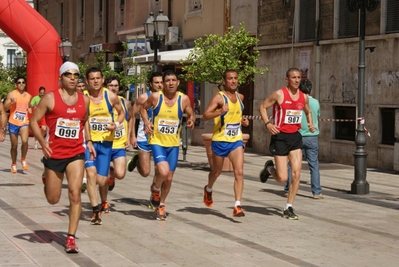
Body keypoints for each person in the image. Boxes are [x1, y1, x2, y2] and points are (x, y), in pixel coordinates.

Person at [29, 61, 94, 253]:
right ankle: (46, 175)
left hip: (76, 153)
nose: (73, 78)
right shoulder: (50, 98)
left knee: (75, 193)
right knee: (53, 199)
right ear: (61, 78)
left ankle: (71, 238)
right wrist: (43, 143)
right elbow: (33, 121)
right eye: (68, 74)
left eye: (76, 75)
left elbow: (85, 121)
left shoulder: (85, 100)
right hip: (54, 153)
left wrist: (88, 140)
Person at [258, 67, 315, 220]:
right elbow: (262, 107)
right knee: (283, 178)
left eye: (299, 78)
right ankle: (269, 168)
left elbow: (308, 111)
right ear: (287, 80)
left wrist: (310, 123)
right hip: (280, 137)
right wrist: (268, 124)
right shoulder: (279, 94)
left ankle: (289, 207)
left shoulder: (304, 97)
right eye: (294, 78)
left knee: (296, 174)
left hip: (295, 137)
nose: (297, 80)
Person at [141, 70, 195, 220]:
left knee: (169, 178)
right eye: (167, 80)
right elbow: (142, 109)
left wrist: (191, 120)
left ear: (178, 82)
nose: (170, 83)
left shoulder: (183, 99)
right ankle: (155, 188)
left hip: (173, 144)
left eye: (173, 80)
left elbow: (191, 113)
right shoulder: (156, 97)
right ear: (163, 84)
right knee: (163, 172)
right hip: (157, 141)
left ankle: (161, 205)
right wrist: (147, 122)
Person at [202, 70, 249, 217]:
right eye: (230, 79)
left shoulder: (240, 97)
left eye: (235, 78)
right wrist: (219, 112)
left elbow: (236, 115)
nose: (233, 81)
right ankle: (208, 189)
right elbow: (205, 116)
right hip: (220, 140)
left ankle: (237, 206)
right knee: (216, 172)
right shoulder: (219, 98)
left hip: (235, 140)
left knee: (239, 172)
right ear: (224, 81)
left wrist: (242, 121)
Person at [85, 67, 125, 225]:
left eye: (98, 78)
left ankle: (107, 177)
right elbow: (84, 120)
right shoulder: (84, 98)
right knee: (90, 174)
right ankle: (96, 210)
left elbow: (121, 113)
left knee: (101, 181)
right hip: (89, 142)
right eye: (92, 78)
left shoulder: (111, 96)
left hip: (106, 143)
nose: (95, 81)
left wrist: (115, 124)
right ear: (87, 81)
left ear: (102, 80)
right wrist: (87, 140)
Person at [284, 79, 323, 199]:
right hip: (312, 137)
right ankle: (316, 192)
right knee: (314, 165)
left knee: (292, 164)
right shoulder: (316, 102)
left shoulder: (297, 101)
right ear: (311, 90)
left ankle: (288, 189)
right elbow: (317, 116)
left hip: (297, 136)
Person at [128, 72, 163, 191]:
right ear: (151, 84)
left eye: (161, 82)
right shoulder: (144, 97)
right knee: (145, 172)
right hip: (144, 136)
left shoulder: (168, 98)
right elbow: (132, 115)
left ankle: (154, 193)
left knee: (160, 169)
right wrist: (132, 136)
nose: (159, 85)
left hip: (161, 138)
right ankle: (137, 159)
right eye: (156, 82)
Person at [103, 76, 130, 206]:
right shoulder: (100, 100)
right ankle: (104, 202)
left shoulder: (125, 102)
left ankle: (112, 174)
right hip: (104, 143)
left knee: (120, 174)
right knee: (103, 177)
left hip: (119, 143)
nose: (113, 88)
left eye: (116, 86)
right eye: (111, 86)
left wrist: (130, 136)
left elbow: (131, 119)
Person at [4, 76, 32, 173]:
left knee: (25, 141)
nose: (21, 84)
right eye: (19, 82)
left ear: (25, 84)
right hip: (13, 122)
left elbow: (30, 107)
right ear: (16, 84)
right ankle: (14, 163)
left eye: (23, 82)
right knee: (14, 145)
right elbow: (4, 108)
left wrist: (30, 110)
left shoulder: (29, 96)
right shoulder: (12, 94)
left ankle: (23, 158)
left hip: (24, 122)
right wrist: (11, 103)